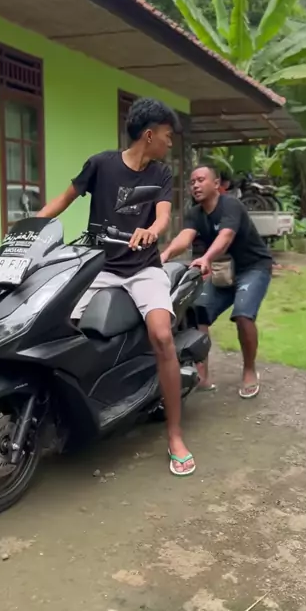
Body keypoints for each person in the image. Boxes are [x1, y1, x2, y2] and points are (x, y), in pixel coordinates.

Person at [37, 98, 195, 477]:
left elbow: (162, 216)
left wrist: (151, 231)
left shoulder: (161, 173)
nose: (169, 143)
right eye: (167, 136)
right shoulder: (100, 164)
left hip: (144, 269)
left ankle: (174, 435)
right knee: (61, 331)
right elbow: (63, 200)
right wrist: (28, 229)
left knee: (162, 336)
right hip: (99, 268)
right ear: (149, 135)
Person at [160, 164, 272, 398]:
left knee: (243, 315)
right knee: (197, 312)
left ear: (216, 184)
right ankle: (202, 376)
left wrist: (207, 258)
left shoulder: (231, 205)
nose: (195, 185)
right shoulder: (195, 213)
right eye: (192, 182)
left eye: (201, 180)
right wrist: (165, 255)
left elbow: (226, 236)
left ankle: (249, 371)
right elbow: (185, 238)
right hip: (223, 271)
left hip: (253, 268)